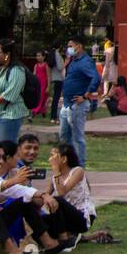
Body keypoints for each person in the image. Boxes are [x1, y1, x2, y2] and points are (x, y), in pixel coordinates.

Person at [43, 142, 109, 251]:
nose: (50, 159)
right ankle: (78, 237)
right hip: (64, 219)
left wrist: (55, 169)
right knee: (41, 221)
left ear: (63, 159)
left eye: (54, 156)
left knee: (57, 200)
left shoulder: (78, 171)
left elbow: (61, 193)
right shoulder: (55, 177)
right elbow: (45, 195)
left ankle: (65, 240)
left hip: (81, 217)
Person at [58, 35, 101, 167]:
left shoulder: (85, 61)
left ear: (79, 46)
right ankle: (67, 163)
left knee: (77, 137)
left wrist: (85, 95)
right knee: (64, 136)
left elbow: (96, 78)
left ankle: (79, 166)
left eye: (71, 46)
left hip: (77, 105)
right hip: (66, 104)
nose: (68, 49)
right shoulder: (73, 61)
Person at [48, 44, 66, 124]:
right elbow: (59, 67)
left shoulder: (52, 53)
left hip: (54, 78)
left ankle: (53, 116)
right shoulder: (57, 54)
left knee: (55, 99)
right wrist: (65, 63)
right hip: (58, 78)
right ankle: (54, 117)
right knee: (56, 99)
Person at [31, 51, 51, 118]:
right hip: (37, 84)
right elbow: (34, 75)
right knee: (38, 98)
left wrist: (48, 86)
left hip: (43, 84)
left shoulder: (46, 65)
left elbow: (48, 76)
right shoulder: (36, 65)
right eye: (37, 56)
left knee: (41, 98)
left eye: (39, 56)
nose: (38, 57)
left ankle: (34, 112)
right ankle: (42, 111)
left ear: (43, 57)